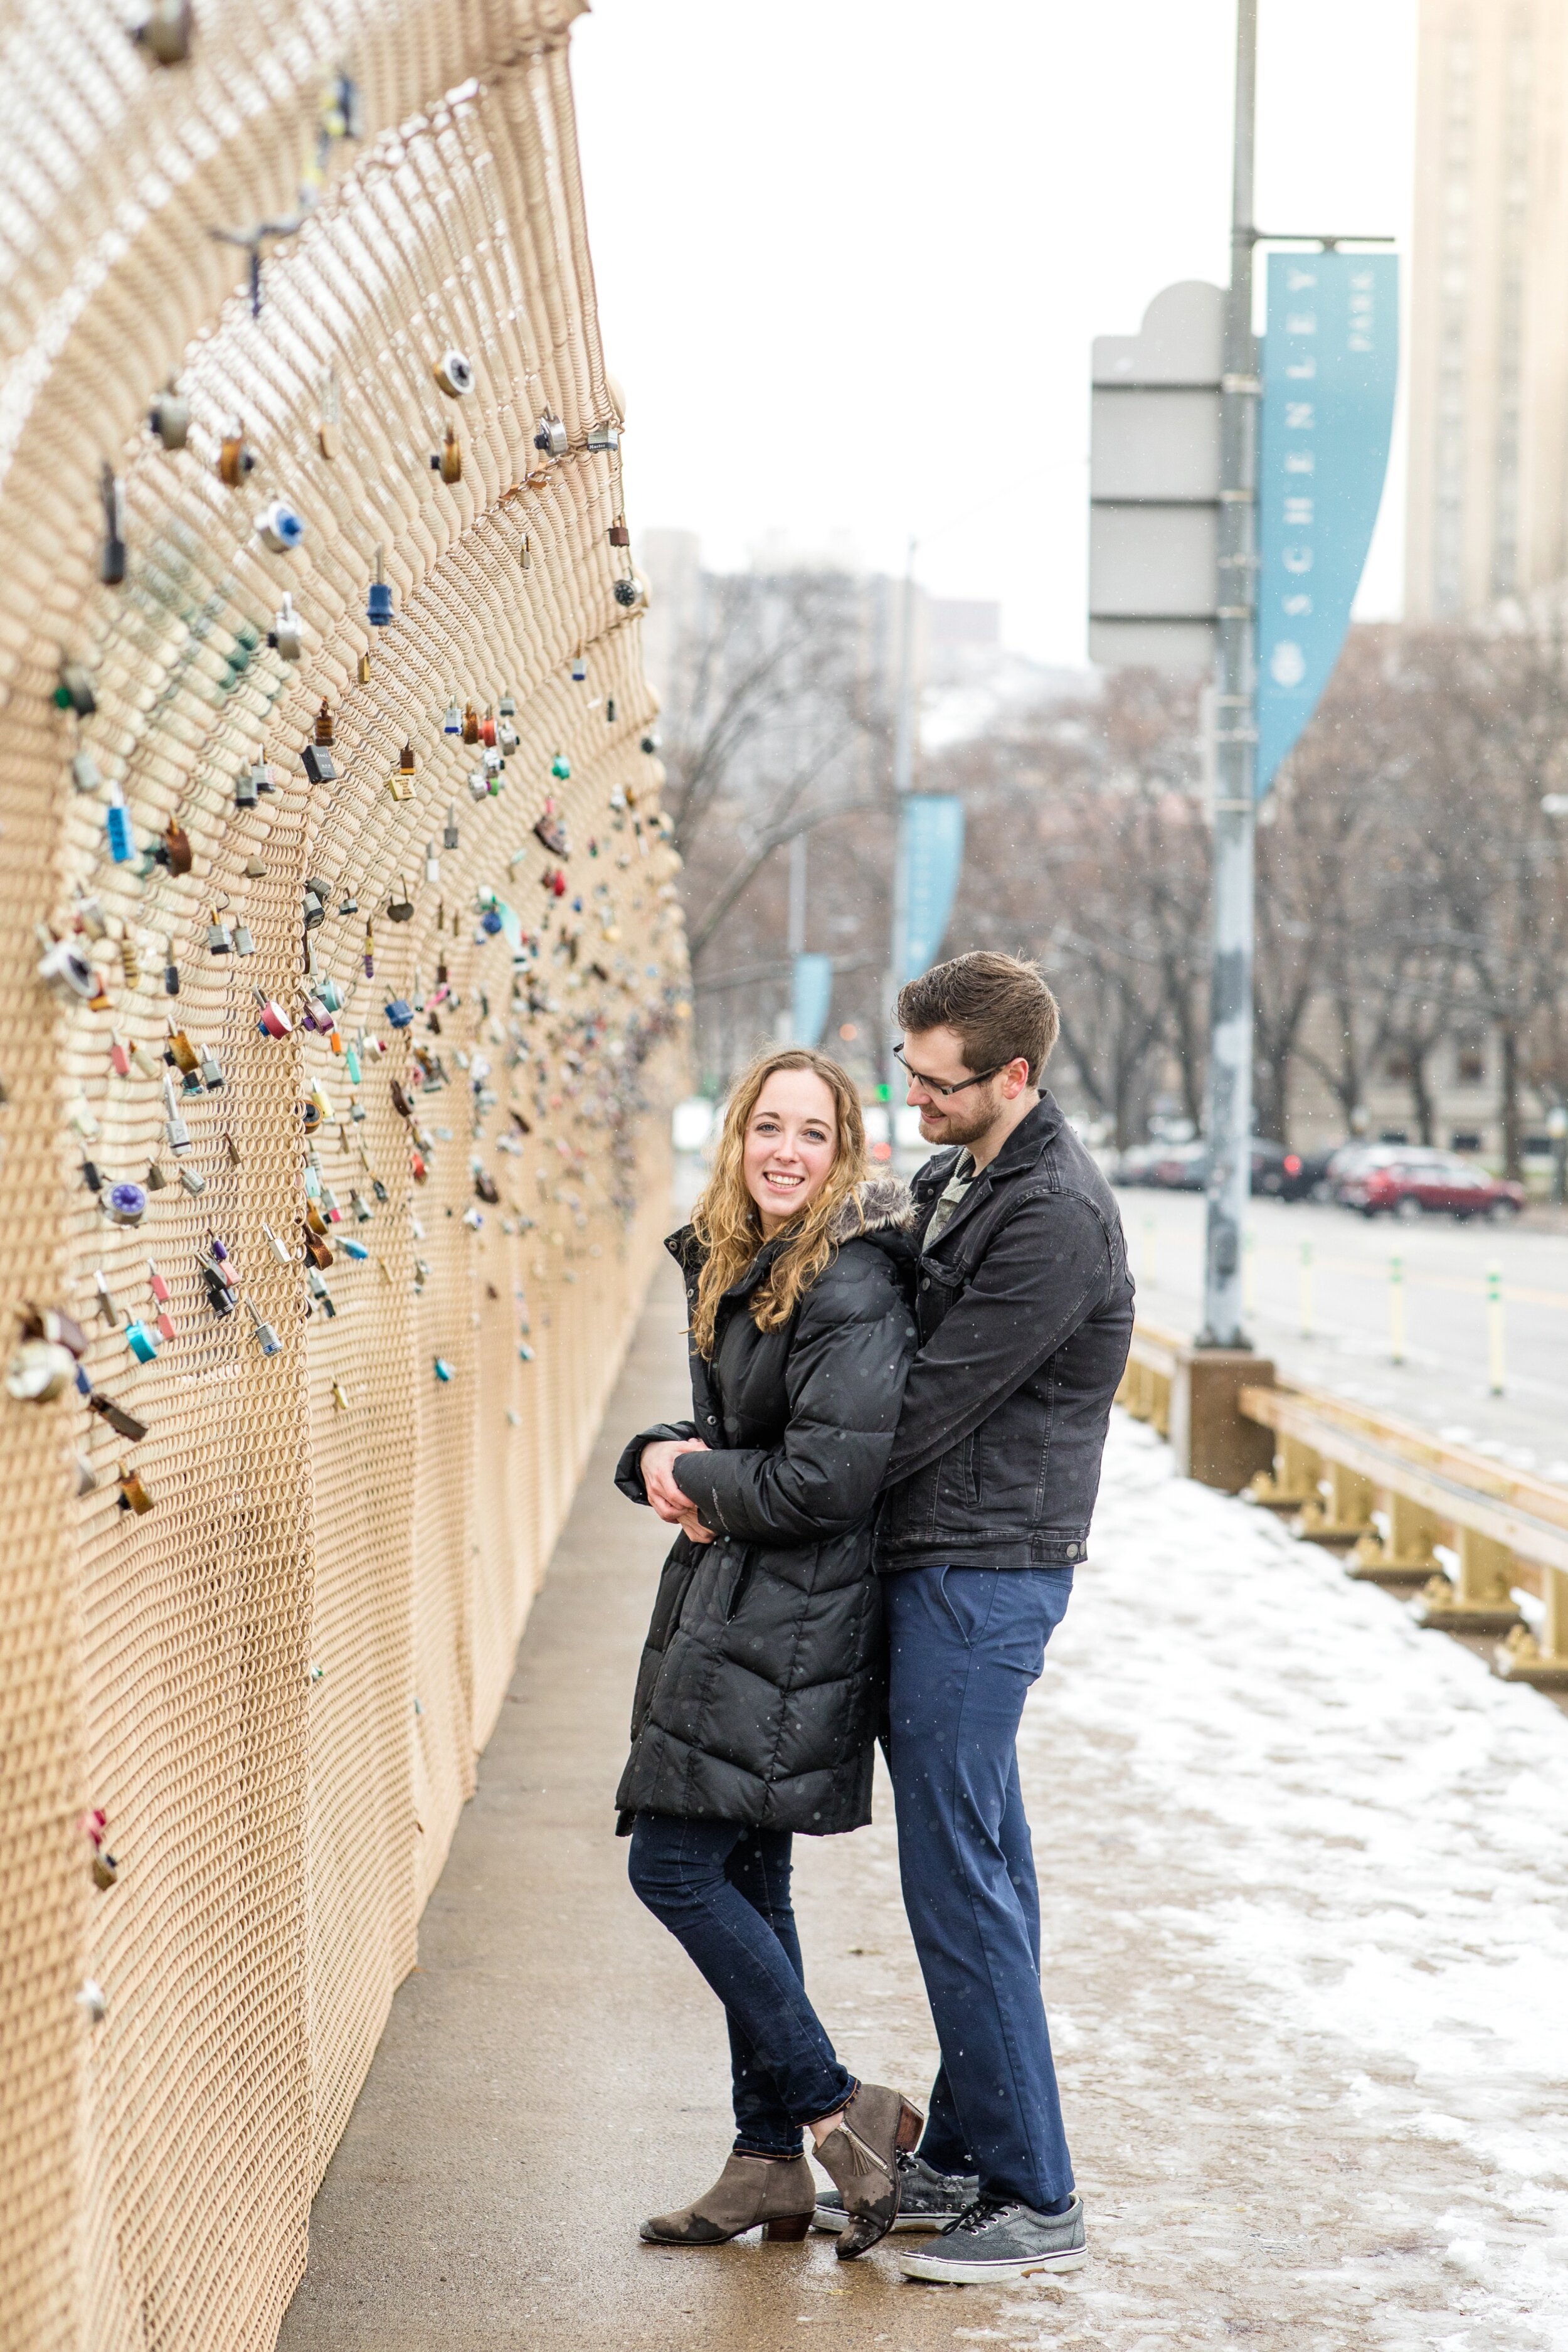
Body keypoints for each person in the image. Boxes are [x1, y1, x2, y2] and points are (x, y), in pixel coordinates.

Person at [812, 952, 1133, 2285]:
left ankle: (1034, 2192)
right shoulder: (968, 1177)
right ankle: (963, 2147)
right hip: (947, 1560)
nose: (915, 1099)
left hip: (983, 1573)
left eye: (938, 1083)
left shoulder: (1052, 1213)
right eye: (907, 1070)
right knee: (980, 1868)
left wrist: (758, 1483)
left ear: (1013, 1076)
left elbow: (923, 1405)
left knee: (961, 1881)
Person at [615, 1046, 924, 2259]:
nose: (786, 1150)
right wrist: (659, 1447)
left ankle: (844, 2107)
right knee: (748, 1880)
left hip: (791, 1617)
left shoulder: (845, 1279)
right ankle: (768, 2169)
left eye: (813, 1131)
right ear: (738, 1136)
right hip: (747, 1598)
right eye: (768, 1127)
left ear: (844, 1149)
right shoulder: (742, 1257)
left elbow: (827, 1476)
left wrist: (690, 1473)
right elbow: (735, 1429)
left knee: (676, 1870)